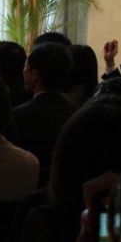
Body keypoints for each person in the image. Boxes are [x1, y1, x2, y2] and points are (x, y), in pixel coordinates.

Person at [7, 42, 78, 184]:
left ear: (35, 74)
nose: (23, 72)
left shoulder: (18, 116)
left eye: (26, 67)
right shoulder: (76, 113)